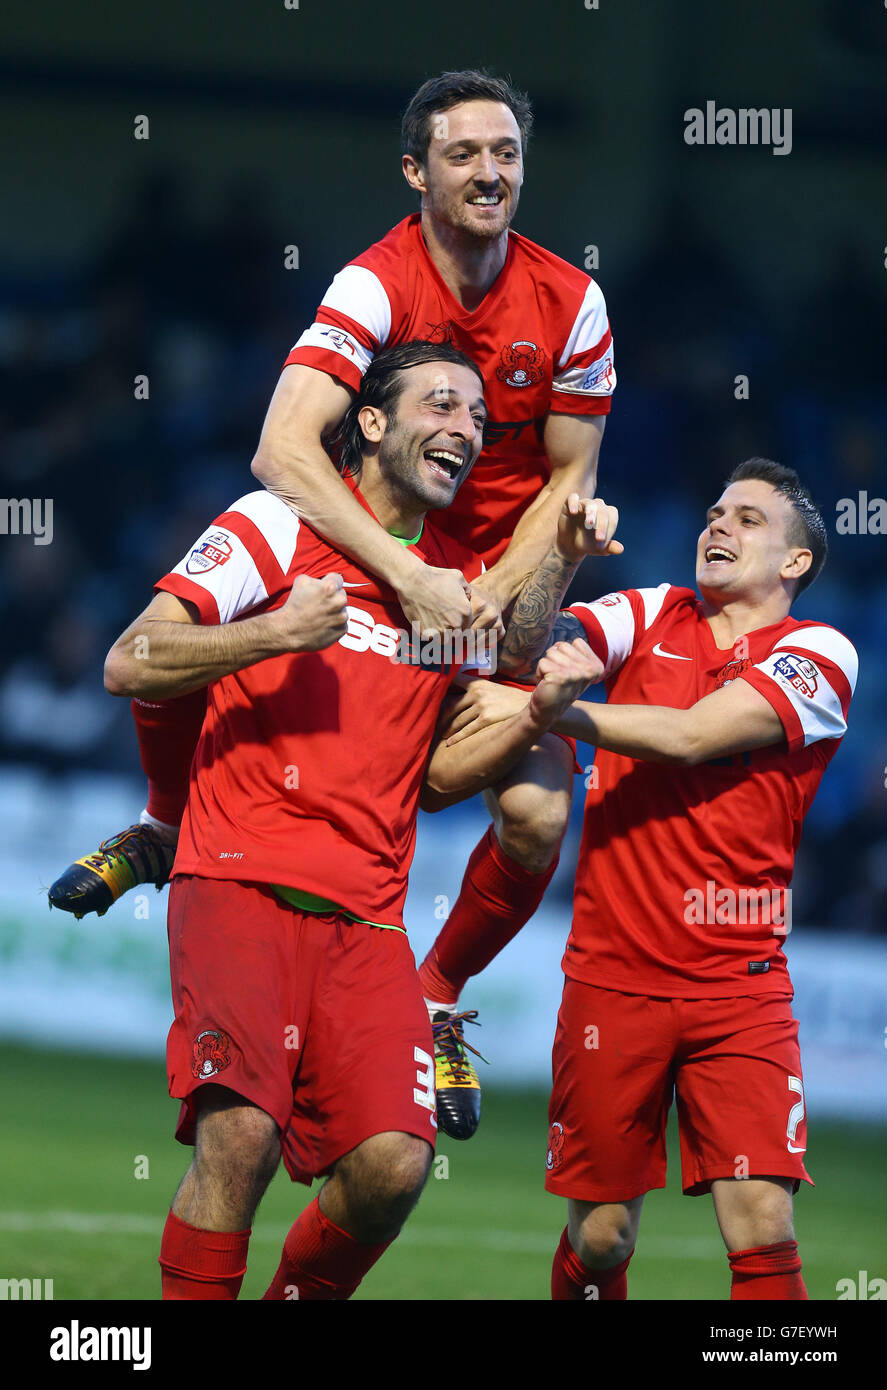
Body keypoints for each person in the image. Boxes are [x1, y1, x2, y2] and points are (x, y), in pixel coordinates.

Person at [49, 68, 618, 1138]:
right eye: (463, 154)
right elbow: (281, 448)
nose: (489, 171)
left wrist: (485, 599)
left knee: (538, 813)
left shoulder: (572, 304)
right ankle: (166, 824)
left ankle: (437, 994)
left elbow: (567, 482)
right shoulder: (372, 284)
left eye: (505, 153)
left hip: (500, 580)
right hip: (395, 553)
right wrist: (408, 576)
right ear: (415, 171)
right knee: (189, 638)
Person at [101, 341, 613, 1299]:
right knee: (241, 1139)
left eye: (475, 416)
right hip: (236, 882)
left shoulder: (457, 585)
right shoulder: (271, 526)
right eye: (442, 404)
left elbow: (436, 776)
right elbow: (132, 661)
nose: (464, 427)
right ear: (370, 423)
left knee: (392, 1165)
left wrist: (536, 712)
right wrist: (276, 632)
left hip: (370, 921)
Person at [447, 458, 857, 1300]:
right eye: (714, 510)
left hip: (739, 987)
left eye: (746, 518)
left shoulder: (819, 651)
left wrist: (550, 711)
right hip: (611, 980)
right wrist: (561, 558)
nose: (717, 524)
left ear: (795, 564)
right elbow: (525, 653)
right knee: (600, 1239)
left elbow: (696, 734)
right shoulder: (642, 612)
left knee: (762, 1226)